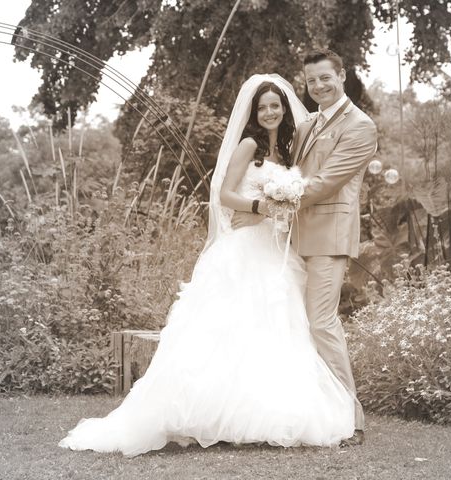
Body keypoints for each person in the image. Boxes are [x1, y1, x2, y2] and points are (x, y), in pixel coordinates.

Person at [58, 74, 356, 457]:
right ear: (253, 111)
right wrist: (259, 207)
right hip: (245, 247)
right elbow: (224, 194)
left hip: (275, 247)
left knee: (276, 323)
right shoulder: (248, 145)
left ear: (284, 109)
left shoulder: (287, 150)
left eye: (275, 105)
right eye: (262, 106)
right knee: (229, 327)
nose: (269, 112)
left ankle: (264, 411)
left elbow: (294, 200)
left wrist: (278, 210)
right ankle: (210, 413)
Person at [232, 50, 377, 446]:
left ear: (341, 75)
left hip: (328, 236)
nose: (318, 86)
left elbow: (324, 182)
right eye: (312, 81)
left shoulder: (360, 127)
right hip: (293, 236)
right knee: (294, 324)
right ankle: (314, 411)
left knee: (321, 322)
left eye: (325, 78)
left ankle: (351, 416)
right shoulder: (309, 121)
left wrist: (265, 209)